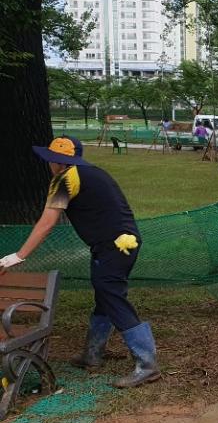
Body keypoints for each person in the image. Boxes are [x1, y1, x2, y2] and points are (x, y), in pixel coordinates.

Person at [0, 137, 160, 388]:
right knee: (105, 293)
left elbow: (47, 222)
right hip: (118, 243)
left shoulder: (65, 179)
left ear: (55, 161)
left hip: (115, 246)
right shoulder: (89, 172)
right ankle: (93, 353)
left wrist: (18, 256)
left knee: (111, 294)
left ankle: (147, 363)